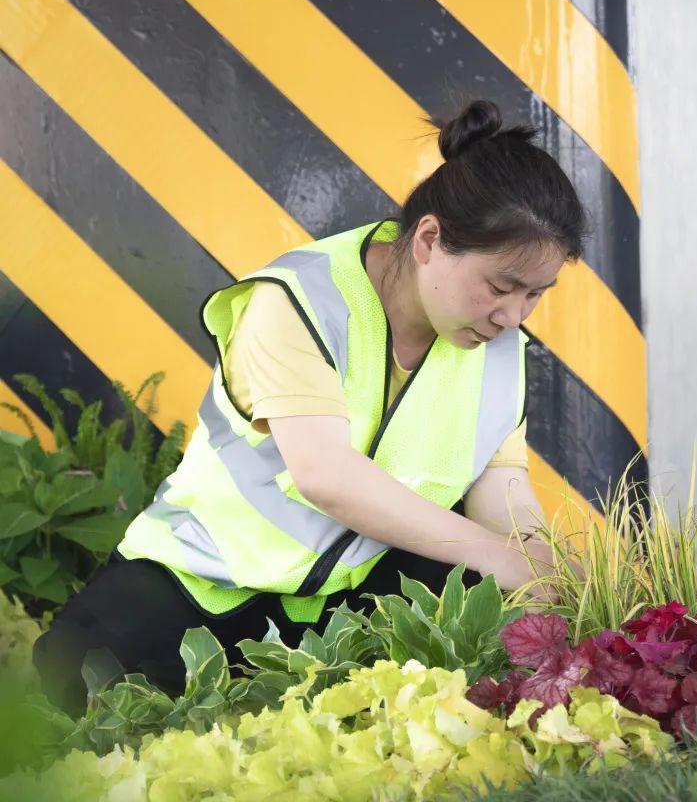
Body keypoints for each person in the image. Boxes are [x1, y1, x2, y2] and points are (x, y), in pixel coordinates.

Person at [33, 98, 589, 718]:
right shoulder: (297, 299)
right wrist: (501, 558)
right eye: (500, 286)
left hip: (346, 604)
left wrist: (553, 576)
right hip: (201, 588)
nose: (513, 316)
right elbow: (326, 477)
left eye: (536, 294)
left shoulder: (498, 343)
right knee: (78, 696)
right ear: (430, 240)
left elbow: (503, 491)